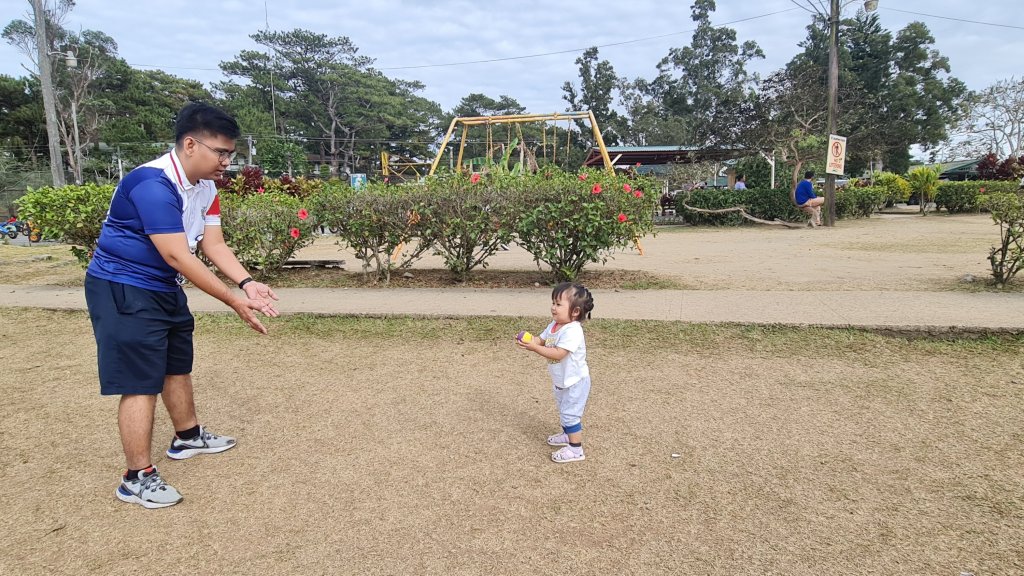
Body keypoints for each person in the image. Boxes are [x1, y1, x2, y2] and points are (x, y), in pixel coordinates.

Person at [84, 102, 280, 509]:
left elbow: (213, 244)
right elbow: (177, 255)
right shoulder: (152, 184)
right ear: (191, 145)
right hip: (123, 287)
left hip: (162, 287)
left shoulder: (206, 186)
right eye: (220, 152)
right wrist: (233, 301)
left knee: (176, 364)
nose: (226, 162)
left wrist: (247, 282)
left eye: (230, 154)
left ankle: (187, 437)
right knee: (140, 381)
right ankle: (136, 477)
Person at [516, 282, 595, 463]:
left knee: (570, 414)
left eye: (559, 304)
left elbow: (559, 353)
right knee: (563, 410)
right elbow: (541, 339)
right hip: (561, 380)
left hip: (575, 382)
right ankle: (567, 435)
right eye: (553, 302)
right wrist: (529, 341)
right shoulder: (554, 325)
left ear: (575, 311)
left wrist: (535, 348)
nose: (553, 307)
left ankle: (576, 449)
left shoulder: (573, 330)